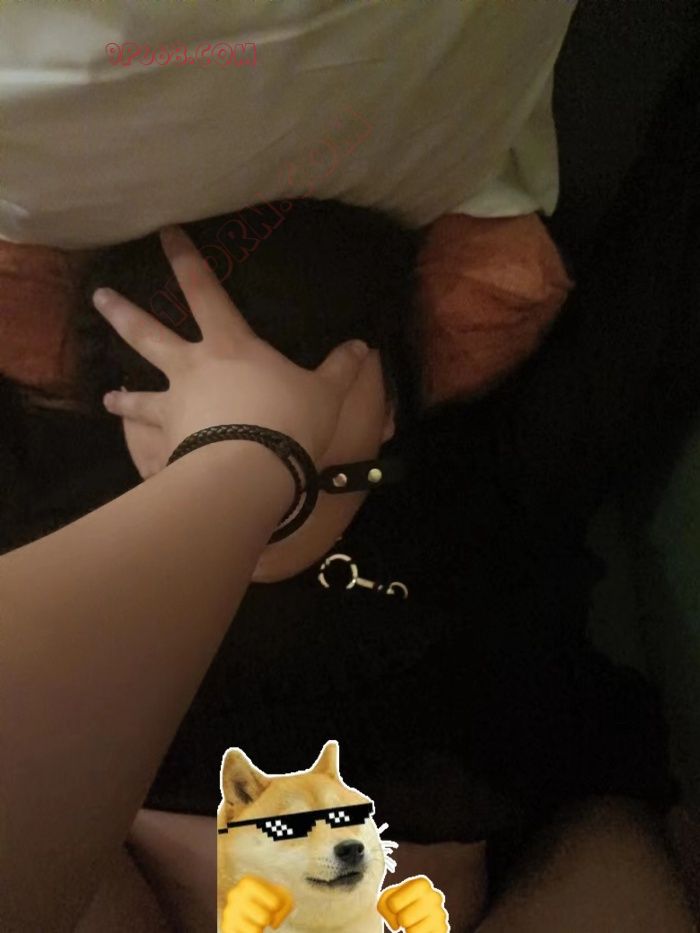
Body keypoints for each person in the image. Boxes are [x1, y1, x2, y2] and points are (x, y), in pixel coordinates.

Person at [3, 190, 691, 931]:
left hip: (488, 863)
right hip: (102, 870)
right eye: (172, 380)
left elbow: (653, 274)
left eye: (306, 370)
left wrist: (257, 446)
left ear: (392, 404)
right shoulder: (62, 487)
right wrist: (234, 455)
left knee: (615, 845)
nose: (271, 413)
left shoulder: (475, 473)